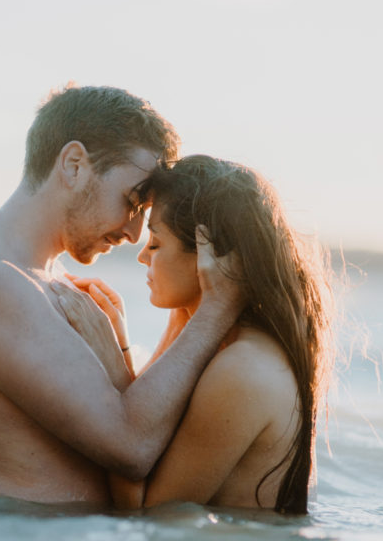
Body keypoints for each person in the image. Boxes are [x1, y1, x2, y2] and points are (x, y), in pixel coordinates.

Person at [0, 86, 243, 507]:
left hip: (77, 538)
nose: (134, 234)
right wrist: (216, 309)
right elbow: (133, 449)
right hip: (31, 539)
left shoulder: (49, 281)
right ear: (73, 164)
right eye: (132, 201)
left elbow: (128, 425)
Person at [58, 155, 335, 515]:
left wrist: (110, 362)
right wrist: (144, 335)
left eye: (155, 243)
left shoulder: (243, 369)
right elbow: (147, 441)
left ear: (209, 257)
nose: (142, 257)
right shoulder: (235, 348)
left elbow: (146, 515)